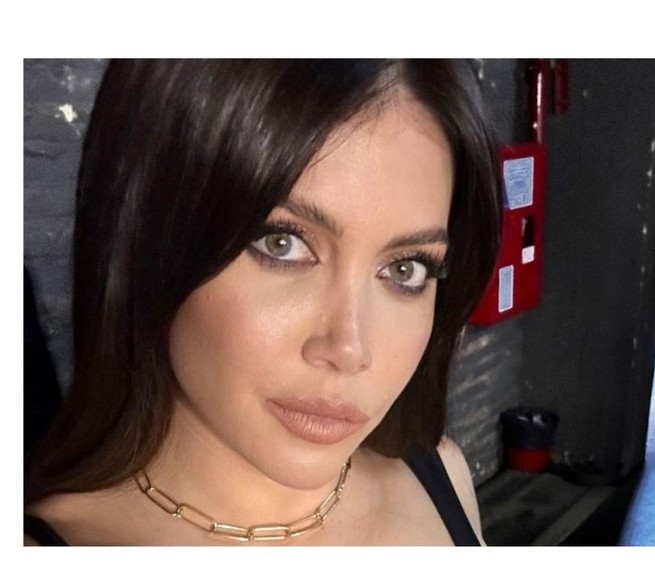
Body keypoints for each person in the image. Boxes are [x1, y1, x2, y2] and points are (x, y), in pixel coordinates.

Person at [24, 59, 501, 546]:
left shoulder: (442, 474)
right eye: (282, 244)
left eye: (406, 269)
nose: (349, 349)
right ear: (149, 235)